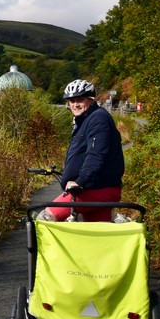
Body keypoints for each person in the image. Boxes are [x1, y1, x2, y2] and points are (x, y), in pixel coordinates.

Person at [44, 79, 125, 222]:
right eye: (72, 100)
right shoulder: (86, 120)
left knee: (46, 217)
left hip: (94, 190)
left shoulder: (97, 118)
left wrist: (80, 180)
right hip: (100, 189)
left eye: (80, 100)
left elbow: (96, 154)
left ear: (91, 100)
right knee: (95, 236)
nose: (75, 104)